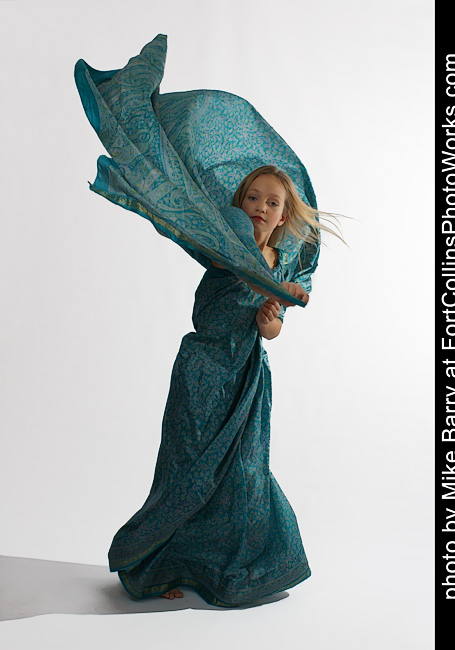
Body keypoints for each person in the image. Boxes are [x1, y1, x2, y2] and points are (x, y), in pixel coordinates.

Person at [75, 33, 335, 607]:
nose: (261, 207)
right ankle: (153, 569)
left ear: (284, 215)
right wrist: (277, 291)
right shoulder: (225, 242)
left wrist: (272, 314)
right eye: (253, 198)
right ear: (240, 204)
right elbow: (238, 272)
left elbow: (272, 329)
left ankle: (234, 574)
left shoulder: (283, 263)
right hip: (202, 375)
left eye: (272, 202)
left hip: (245, 379)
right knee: (186, 476)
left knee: (244, 478)